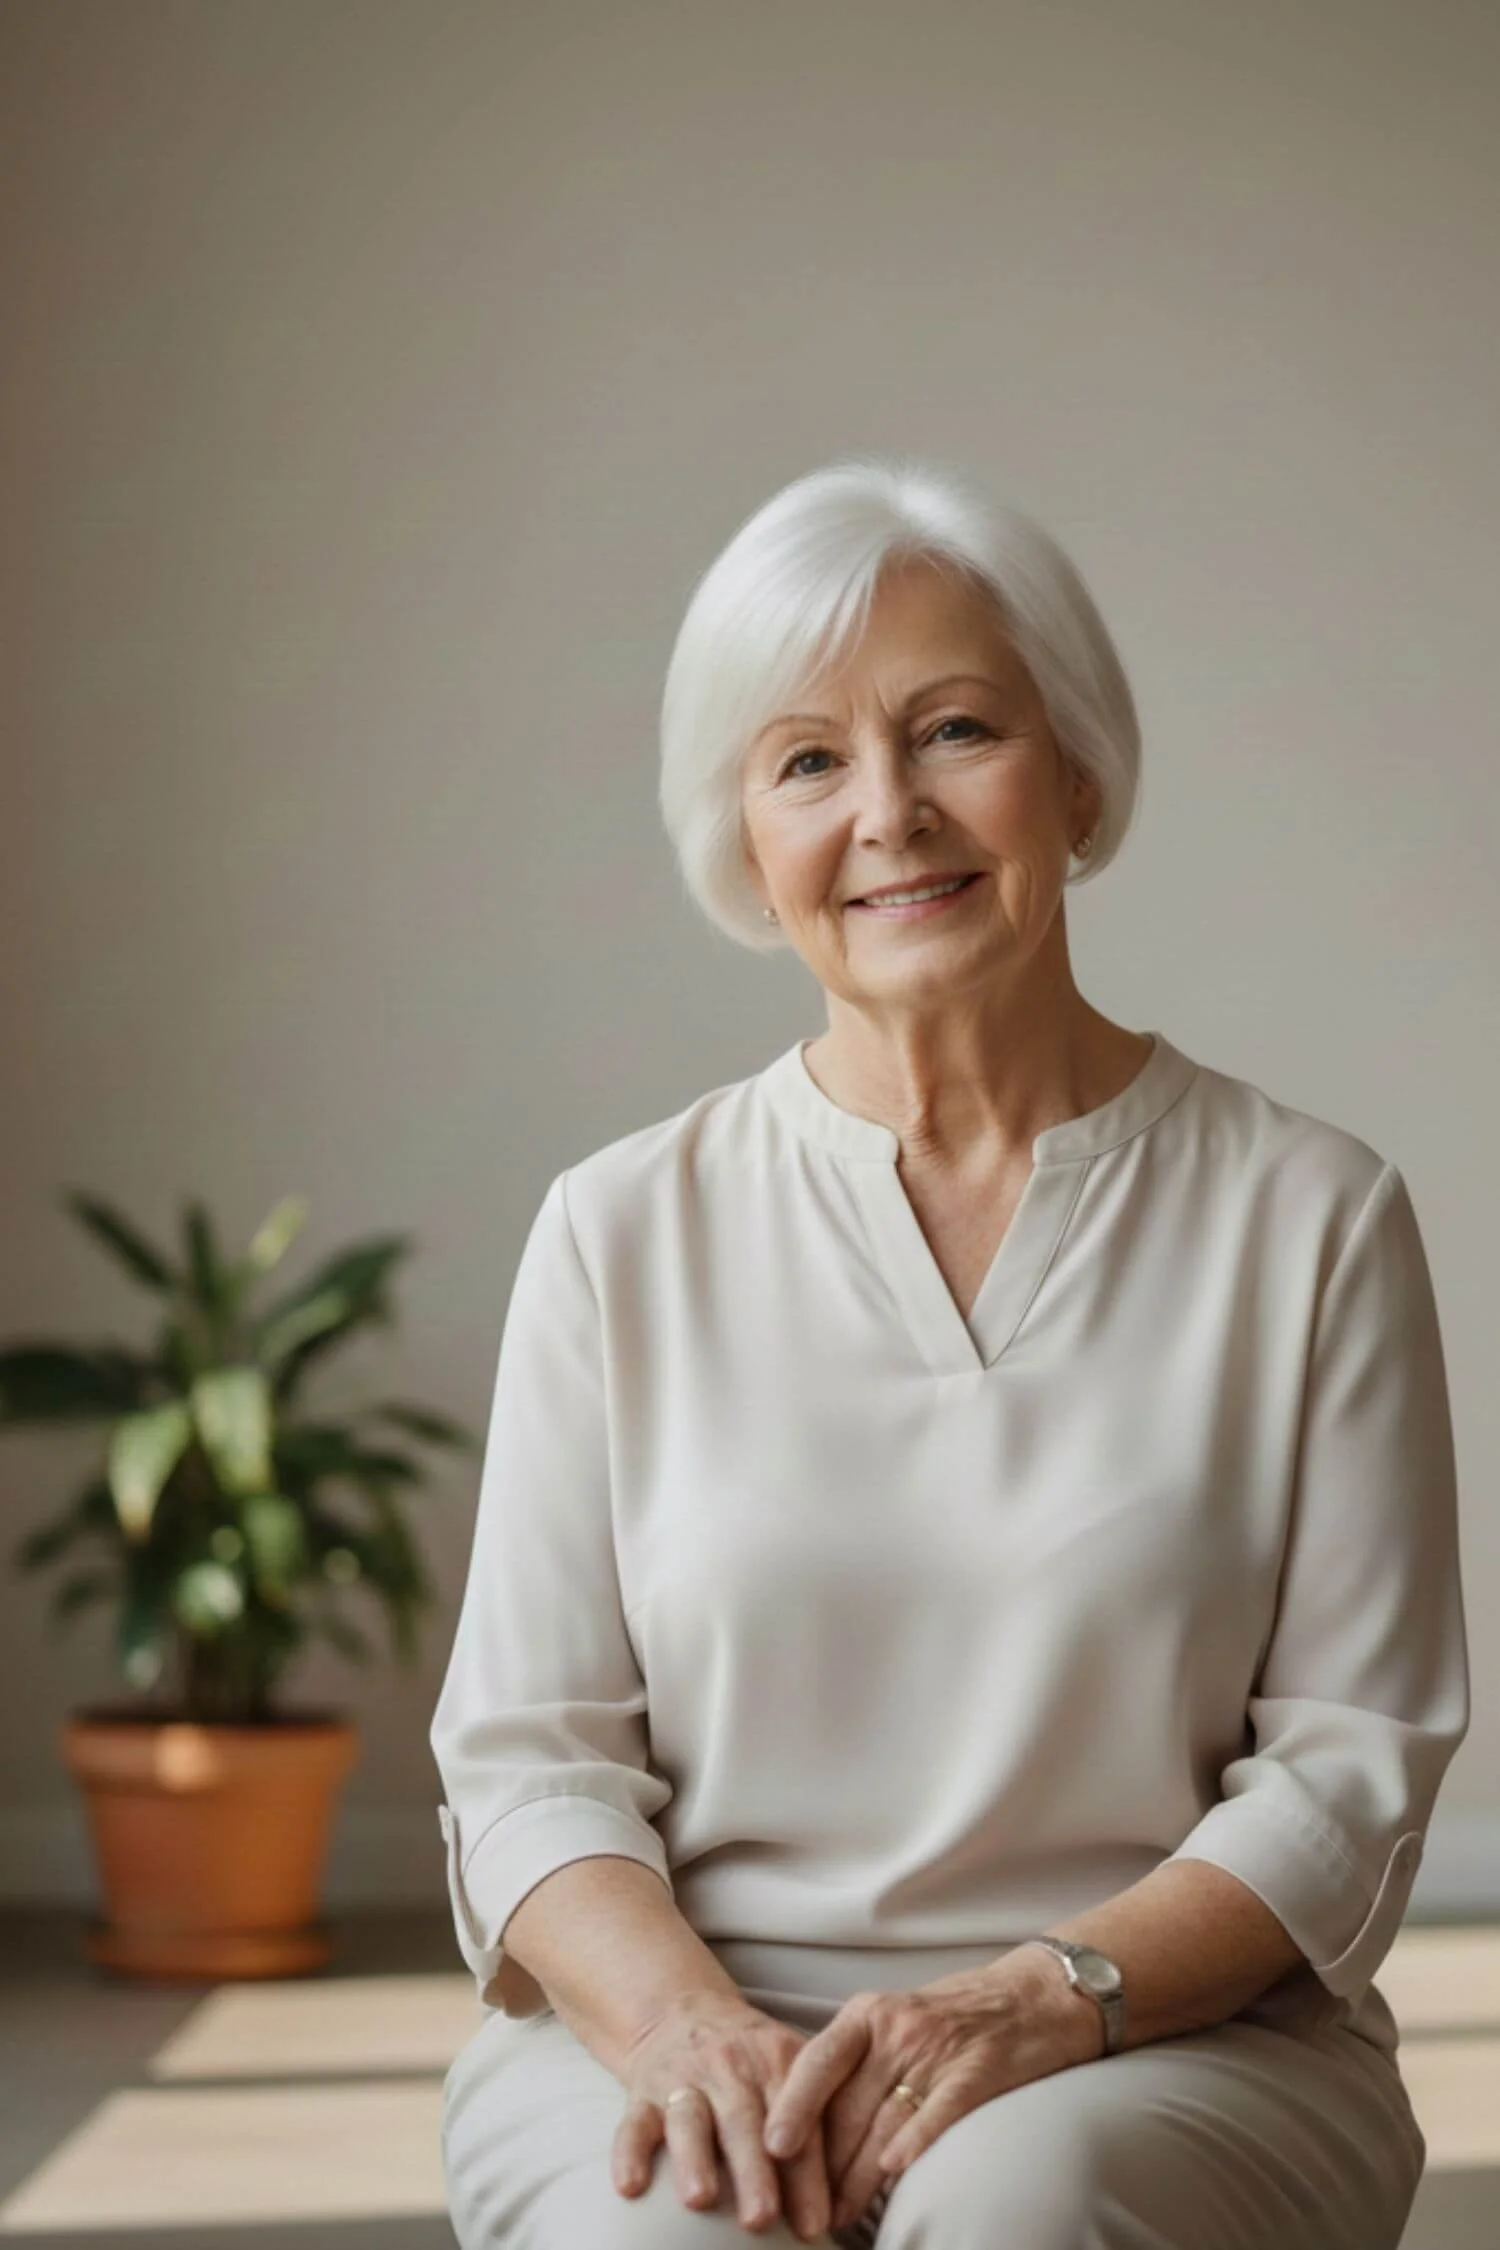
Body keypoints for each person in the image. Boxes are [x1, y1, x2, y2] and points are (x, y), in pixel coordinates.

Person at [430, 456, 1470, 2248]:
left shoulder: (1313, 1217)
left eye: (955, 730)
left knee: (1021, 2202)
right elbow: (530, 1761)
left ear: (1078, 774)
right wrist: (690, 2032)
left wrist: (1041, 1997)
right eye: (806, 761)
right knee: (673, 2225)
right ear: (745, 841)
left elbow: (1346, 1769)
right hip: (675, 2016)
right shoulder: (616, 1229)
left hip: (1166, 2032)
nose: (889, 812)